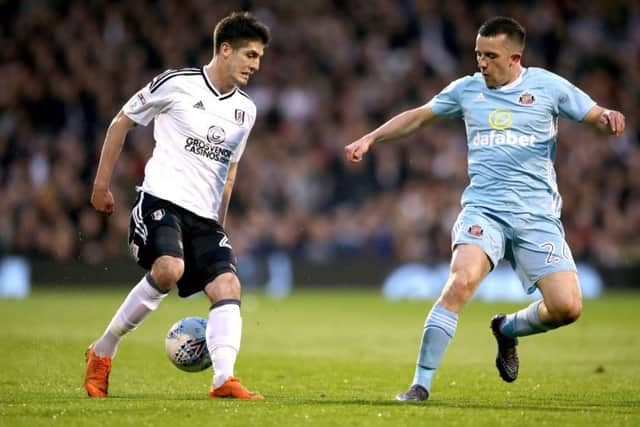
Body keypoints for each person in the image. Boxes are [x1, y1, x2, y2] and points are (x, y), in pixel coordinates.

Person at [345, 16, 625, 402]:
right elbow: (420, 115)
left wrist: (607, 117)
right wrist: (372, 137)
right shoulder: (467, 90)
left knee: (567, 307)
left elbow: (593, 114)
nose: (482, 62)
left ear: (515, 57)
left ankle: (506, 330)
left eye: (491, 55)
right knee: (460, 282)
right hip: (484, 211)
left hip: (536, 217)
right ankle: (420, 384)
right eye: (478, 54)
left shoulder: (547, 86)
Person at [84, 11, 270, 400]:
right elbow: (121, 121)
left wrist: (220, 222)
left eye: (259, 58)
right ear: (225, 49)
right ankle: (103, 351)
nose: (256, 65)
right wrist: (101, 186)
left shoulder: (246, 111)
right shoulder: (177, 84)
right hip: (160, 200)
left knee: (228, 285)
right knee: (168, 268)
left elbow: (230, 169)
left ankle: (223, 380)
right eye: (250, 55)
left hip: (204, 217)